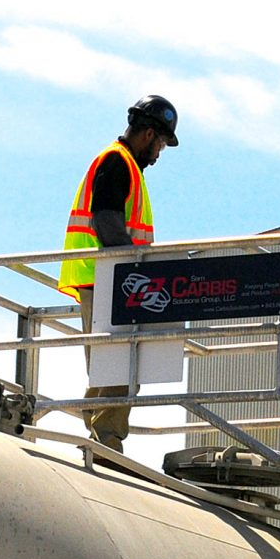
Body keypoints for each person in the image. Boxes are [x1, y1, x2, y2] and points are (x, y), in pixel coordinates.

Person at [58, 95, 179, 453]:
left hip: (112, 279)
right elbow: (106, 221)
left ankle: (101, 435)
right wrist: (134, 275)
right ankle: (106, 441)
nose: (158, 155)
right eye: (160, 144)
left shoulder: (122, 165)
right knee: (117, 366)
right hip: (111, 280)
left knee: (114, 366)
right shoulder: (117, 162)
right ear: (147, 134)